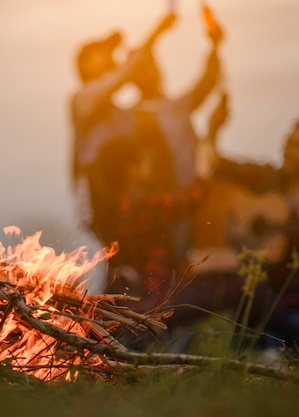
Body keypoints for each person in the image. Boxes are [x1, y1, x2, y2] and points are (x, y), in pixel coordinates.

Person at [166, 102, 299, 355]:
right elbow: (216, 163)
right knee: (243, 278)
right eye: (288, 141)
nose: (288, 150)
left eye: (298, 145)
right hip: (267, 278)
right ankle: (278, 349)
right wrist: (214, 128)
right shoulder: (267, 178)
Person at [70, 11, 225, 309]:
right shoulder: (89, 102)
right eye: (104, 54)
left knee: (143, 277)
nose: (117, 61)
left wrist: (215, 47)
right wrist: (158, 31)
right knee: (136, 277)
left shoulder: (128, 115)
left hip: (152, 212)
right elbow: (129, 72)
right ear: (86, 65)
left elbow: (203, 86)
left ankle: (127, 331)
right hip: (116, 213)